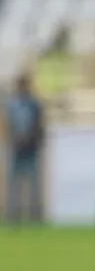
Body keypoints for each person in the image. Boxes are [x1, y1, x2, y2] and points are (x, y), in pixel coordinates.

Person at [4, 73, 45, 223]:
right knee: (14, 185)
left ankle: (34, 216)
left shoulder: (34, 104)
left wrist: (32, 140)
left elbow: (39, 125)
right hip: (15, 149)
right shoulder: (11, 104)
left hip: (30, 149)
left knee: (33, 185)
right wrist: (12, 140)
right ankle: (13, 215)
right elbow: (7, 124)